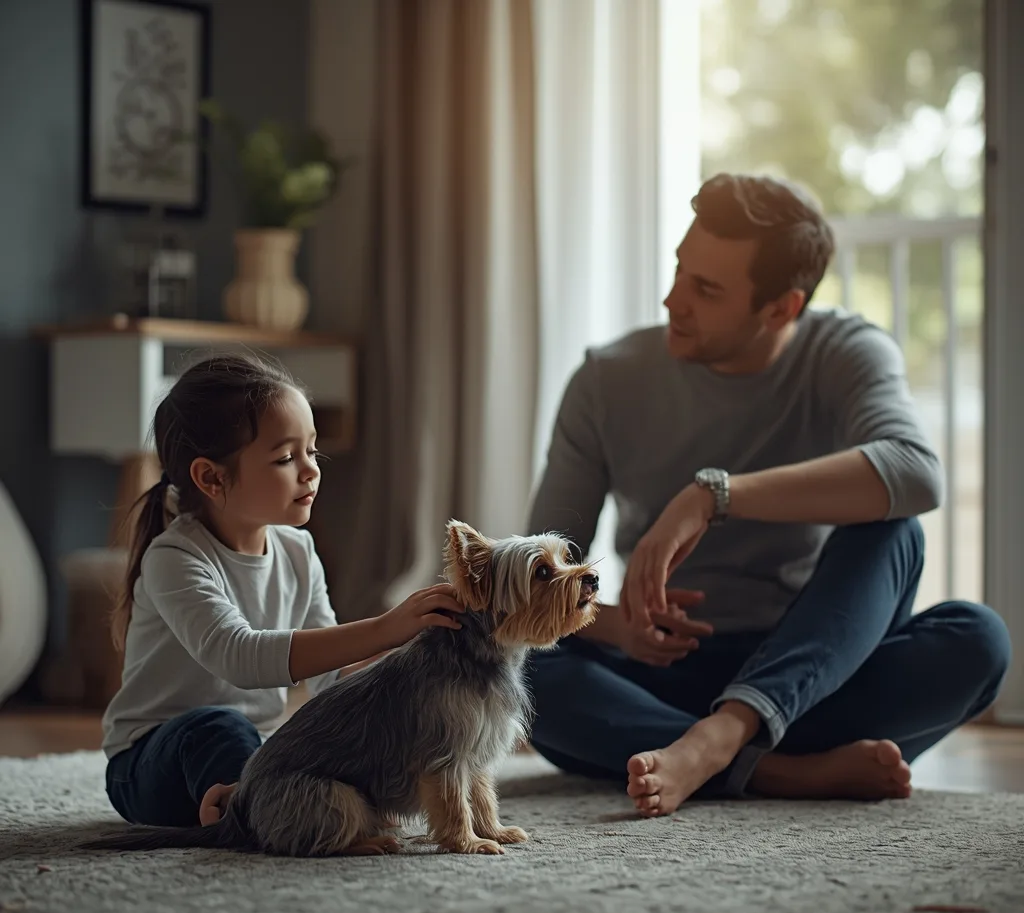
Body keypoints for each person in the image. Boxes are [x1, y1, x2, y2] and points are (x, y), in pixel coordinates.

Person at [526, 172, 1010, 818]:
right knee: (523, 668)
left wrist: (711, 496)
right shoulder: (606, 381)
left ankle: (721, 742)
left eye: (706, 290)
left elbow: (916, 471)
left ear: (780, 308)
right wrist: (622, 627)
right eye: (679, 271)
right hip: (660, 672)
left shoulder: (845, 353)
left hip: (810, 668)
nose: (673, 300)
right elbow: (536, 580)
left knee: (967, 625)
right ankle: (784, 771)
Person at [102, 353, 464, 829]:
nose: (310, 470)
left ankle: (270, 801)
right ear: (212, 477)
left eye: (312, 451)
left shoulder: (298, 551)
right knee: (220, 726)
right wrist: (383, 628)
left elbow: (331, 679)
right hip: (152, 760)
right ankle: (250, 809)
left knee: (330, 734)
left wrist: (412, 653)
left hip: (255, 748)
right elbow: (238, 655)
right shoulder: (174, 557)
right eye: (286, 458)